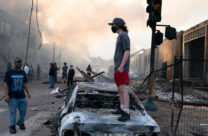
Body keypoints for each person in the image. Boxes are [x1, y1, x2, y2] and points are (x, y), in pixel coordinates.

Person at [108, 18, 131, 121]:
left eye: (113, 25)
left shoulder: (124, 35)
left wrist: (121, 66)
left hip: (122, 68)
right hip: (118, 68)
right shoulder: (119, 37)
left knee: (123, 89)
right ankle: (122, 109)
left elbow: (127, 51)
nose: (112, 27)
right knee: (120, 89)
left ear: (118, 25)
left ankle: (126, 112)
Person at [4, 57, 31, 134]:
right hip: (12, 97)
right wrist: (6, 96)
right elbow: (5, 84)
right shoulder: (9, 72)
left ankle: (20, 122)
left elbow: (25, 83)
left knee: (23, 111)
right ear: (14, 63)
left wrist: (28, 92)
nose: (19, 64)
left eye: (20, 62)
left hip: (22, 96)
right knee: (12, 112)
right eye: (17, 62)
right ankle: (12, 126)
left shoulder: (22, 72)